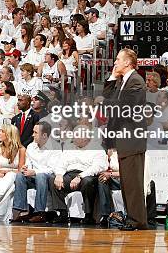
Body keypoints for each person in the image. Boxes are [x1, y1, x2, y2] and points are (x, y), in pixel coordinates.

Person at [102, 48, 148, 230]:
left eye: (119, 59)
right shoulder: (122, 81)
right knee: (127, 182)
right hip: (124, 138)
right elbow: (108, 97)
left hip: (132, 138)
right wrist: (112, 77)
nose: (115, 62)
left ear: (128, 63)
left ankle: (137, 220)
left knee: (133, 183)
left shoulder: (136, 81)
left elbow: (125, 107)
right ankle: (132, 219)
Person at [47, 124, 108, 224]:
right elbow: (60, 163)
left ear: (85, 138)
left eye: (76, 135)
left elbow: (98, 167)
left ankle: (88, 215)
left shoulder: (97, 148)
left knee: (88, 181)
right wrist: (59, 175)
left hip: (86, 175)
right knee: (52, 178)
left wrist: (80, 176)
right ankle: (62, 213)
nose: (73, 137)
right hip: (69, 174)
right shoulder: (69, 147)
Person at [12, 121, 58, 223]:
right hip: (32, 176)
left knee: (41, 176)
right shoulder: (31, 146)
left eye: (35, 132)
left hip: (48, 177)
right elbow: (28, 163)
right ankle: (21, 210)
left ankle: (40, 212)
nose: (32, 135)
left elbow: (52, 169)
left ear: (44, 135)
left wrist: (34, 172)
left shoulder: (54, 148)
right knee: (19, 175)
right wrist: (25, 167)